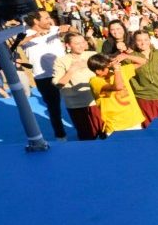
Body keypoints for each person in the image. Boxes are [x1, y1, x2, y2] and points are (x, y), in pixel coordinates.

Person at [20, 11, 69, 140]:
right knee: (54, 108)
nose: (50, 20)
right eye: (46, 18)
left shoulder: (54, 29)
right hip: (43, 77)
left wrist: (66, 29)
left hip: (65, 72)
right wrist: (33, 36)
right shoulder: (24, 33)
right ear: (36, 21)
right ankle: (60, 136)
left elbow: (69, 30)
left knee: (78, 101)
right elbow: (12, 45)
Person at [52, 32, 102, 141]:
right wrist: (71, 71)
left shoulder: (92, 55)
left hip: (97, 101)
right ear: (68, 46)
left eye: (83, 42)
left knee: (104, 133)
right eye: (76, 43)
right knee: (86, 136)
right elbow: (58, 85)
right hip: (76, 105)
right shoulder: (61, 61)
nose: (81, 45)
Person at [88, 53, 146, 137]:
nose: (110, 67)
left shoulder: (119, 71)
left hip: (134, 120)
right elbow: (118, 87)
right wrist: (117, 70)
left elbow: (143, 62)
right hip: (116, 125)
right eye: (107, 67)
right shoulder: (95, 81)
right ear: (98, 71)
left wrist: (126, 56)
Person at [130, 30, 158, 126]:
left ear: (150, 40)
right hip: (144, 97)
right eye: (139, 40)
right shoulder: (131, 57)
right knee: (149, 127)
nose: (143, 43)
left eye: (145, 39)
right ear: (135, 42)